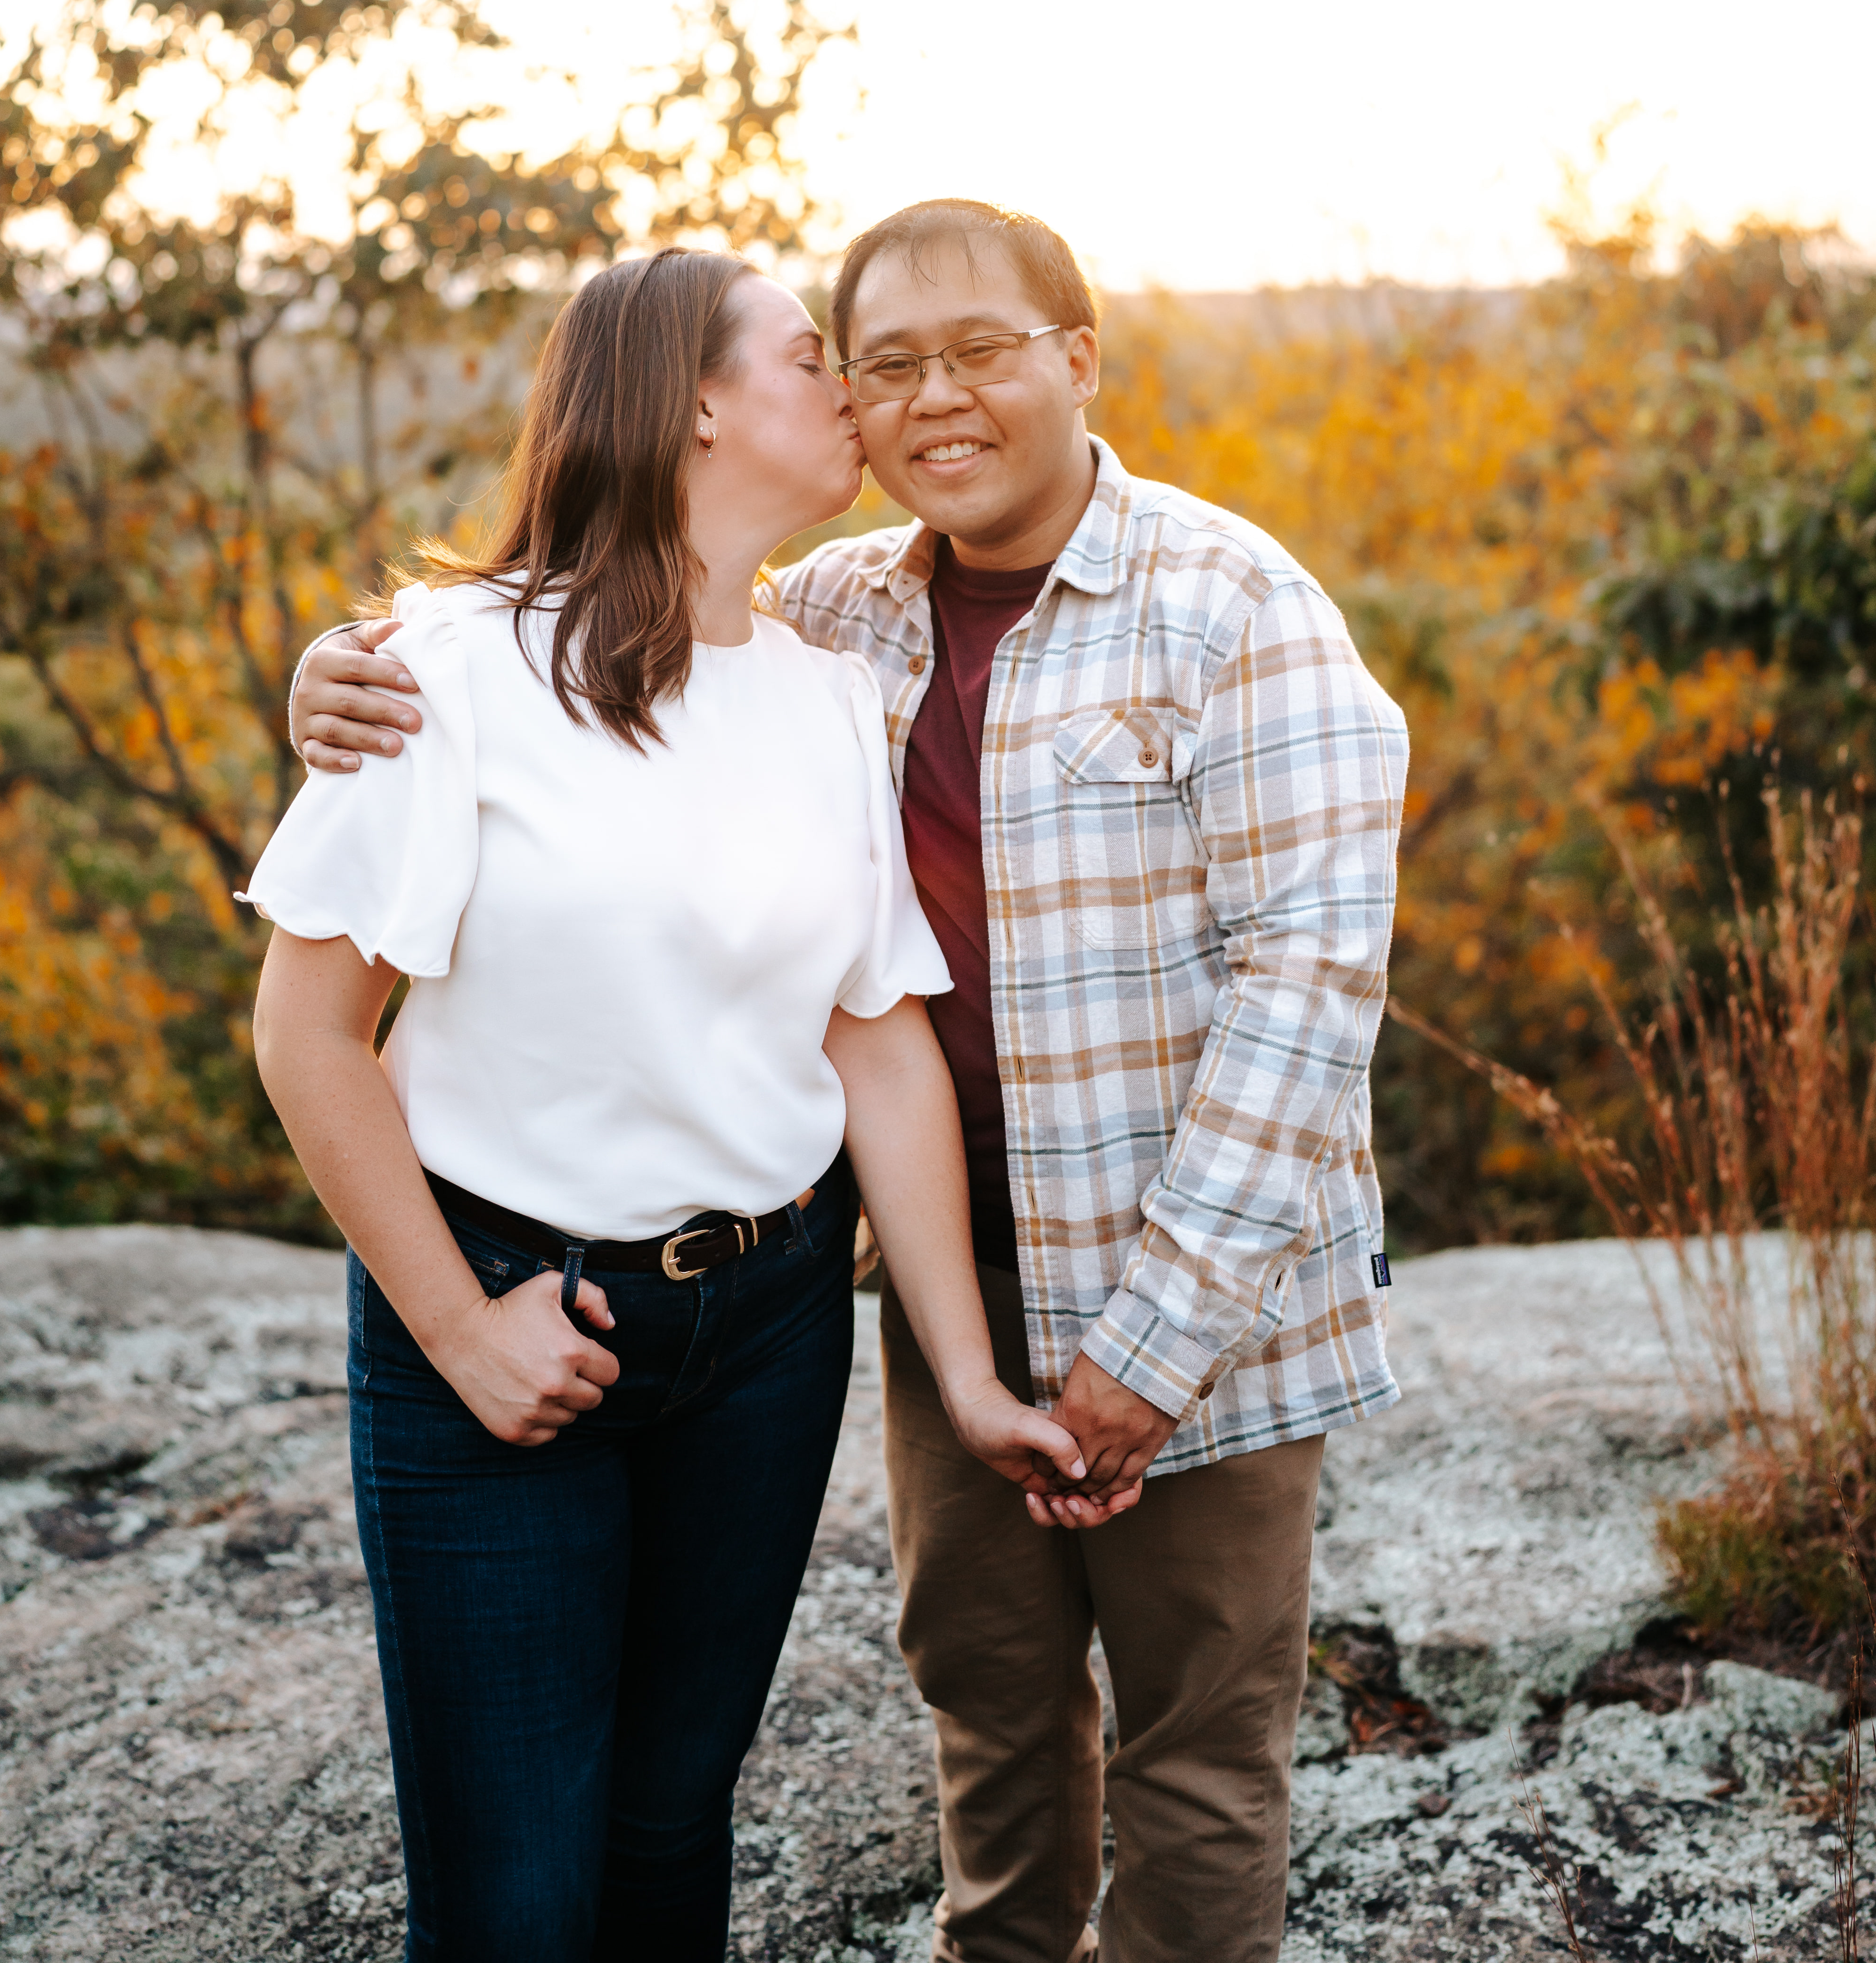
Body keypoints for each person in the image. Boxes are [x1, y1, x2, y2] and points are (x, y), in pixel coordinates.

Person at [294, 200, 1410, 1963]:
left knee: (1177, 1755)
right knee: (975, 1698)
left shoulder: (1227, 613)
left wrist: (1142, 1345)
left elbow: (1301, 996)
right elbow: (566, 640)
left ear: (1078, 362)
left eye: (977, 353)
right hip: (798, 1276)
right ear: (720, 409)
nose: (918, 398)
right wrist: (346, 682)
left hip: (1159, 1275)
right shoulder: (825, 618)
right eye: (869, 363)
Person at [248, 246, 1126, 1963]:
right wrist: (461, 1329)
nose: (863, 397)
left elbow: (875, 1043)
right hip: (512, 1315)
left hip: (768, 1330)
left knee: (670, 1838)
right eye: (823, 360)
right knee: (514, 1895)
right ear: (697, 402)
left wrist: (963, 1376)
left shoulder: (825, 693)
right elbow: (307, 1034)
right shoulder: (453, 671)